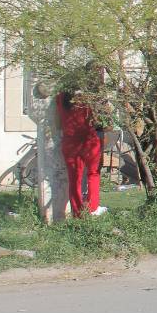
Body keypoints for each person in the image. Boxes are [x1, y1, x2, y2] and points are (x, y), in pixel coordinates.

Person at [56, 89, 106, 218]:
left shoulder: (60, 98)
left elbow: (59, 120)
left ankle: (78, 213)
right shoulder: (86, 99)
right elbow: (96, 119)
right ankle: (91, 206)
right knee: (93, 173)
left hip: (69, 142)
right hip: (89, 141)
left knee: (74, 179)